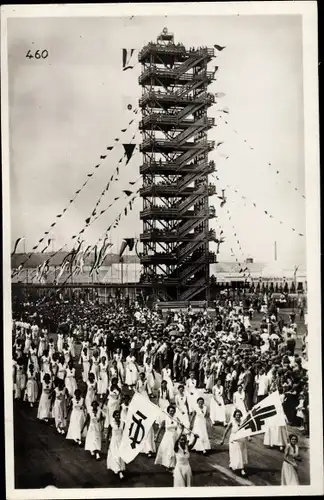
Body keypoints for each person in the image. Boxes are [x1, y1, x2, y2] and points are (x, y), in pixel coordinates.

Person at [220, 409, 248, 476]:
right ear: (234, 415)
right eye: (236, 415)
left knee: (241, 453)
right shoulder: (232, 422)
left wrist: (249, 437)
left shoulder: (243, 422)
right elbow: (226, 430)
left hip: (242, 439)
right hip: (234, 439)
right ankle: (242, 469)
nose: (237, 416)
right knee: (236, 453)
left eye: (239, 415)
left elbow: (246, 430)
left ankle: (233, 464)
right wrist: (222, 440)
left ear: (240, 415)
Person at [155, 405, 180, 471]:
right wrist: (156, 437)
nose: (172, 412)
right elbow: (160, 429)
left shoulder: (176, 418)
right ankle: (168, 465)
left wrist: (181, 425)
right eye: (170, 411)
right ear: (168, 411)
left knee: (174, 450)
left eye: (173, 411)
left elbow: (179, 427)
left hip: (174, 436)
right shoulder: (165, 419)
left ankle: (171, 465)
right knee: (168, 450)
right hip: (168, 436)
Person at [107, 409, 126, 479]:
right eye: (116, 415)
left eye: (118, 415)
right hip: (114, 441)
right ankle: (119, 472)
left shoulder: (122, 423)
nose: (117, 416)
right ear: (114, 416)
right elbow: (108, 434)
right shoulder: (111, 423)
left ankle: (119, 469)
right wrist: (107, 443)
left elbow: (125, 433)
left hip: (121, 441)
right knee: (116, 455)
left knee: (120, 456)